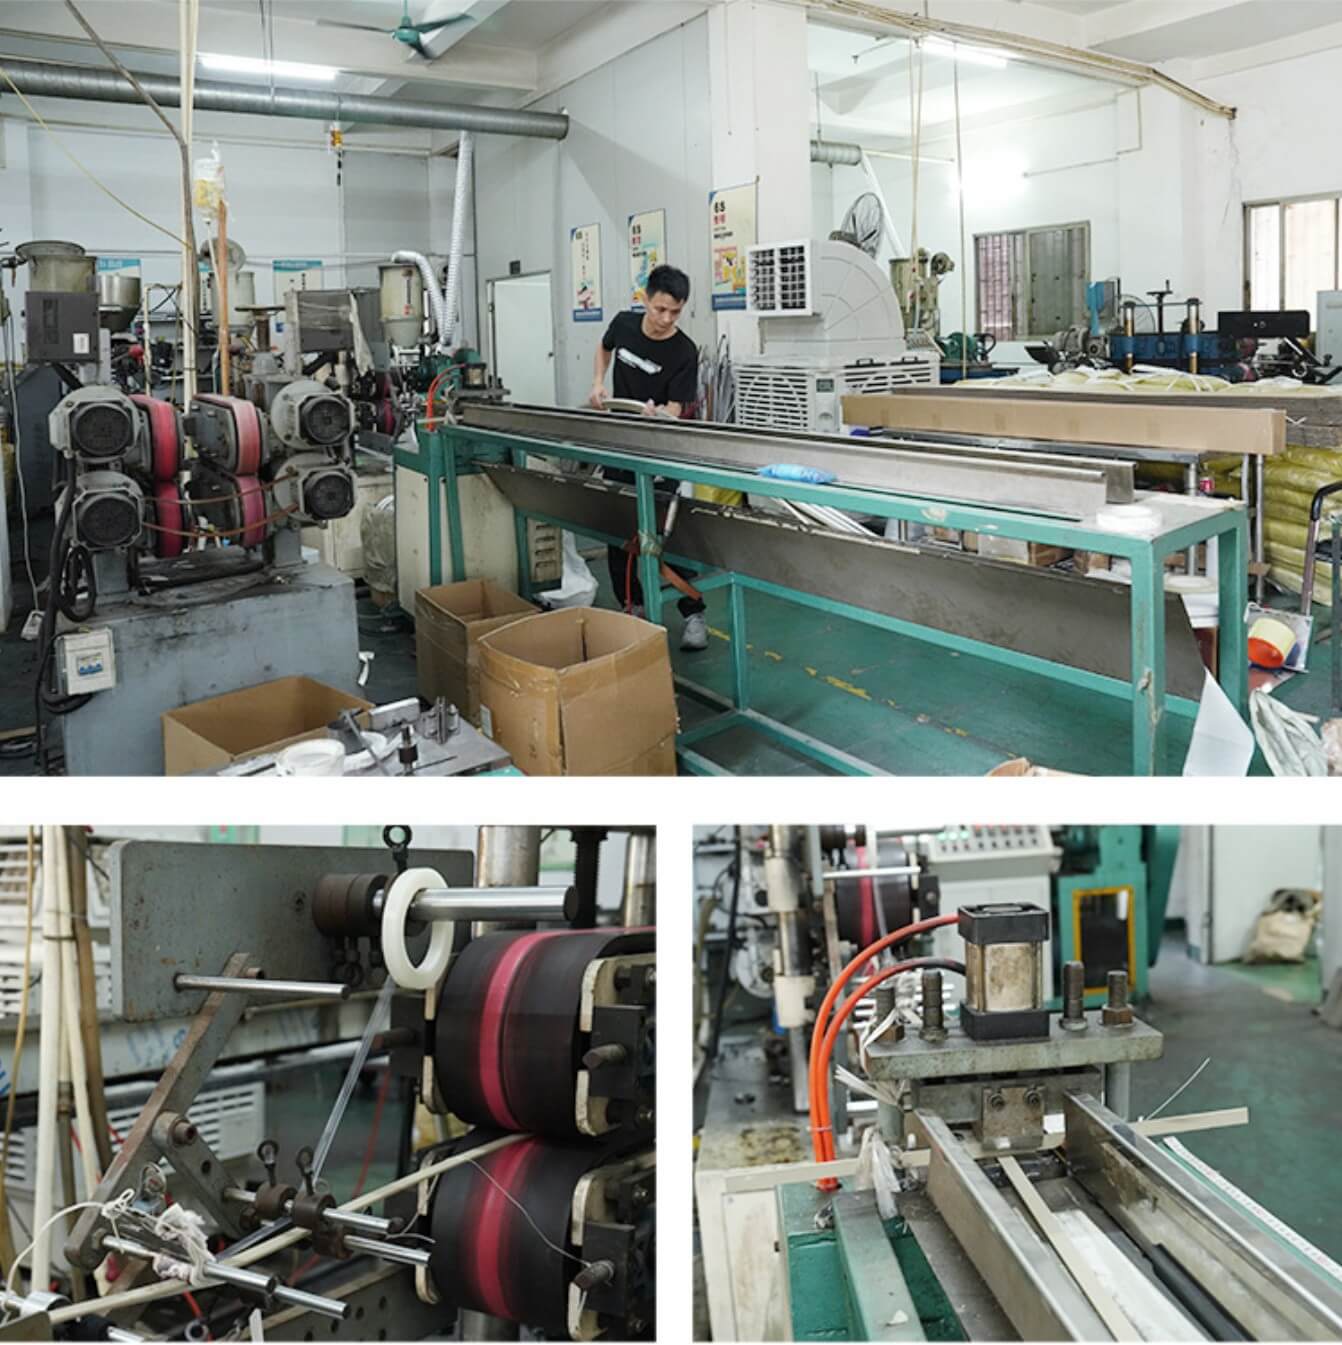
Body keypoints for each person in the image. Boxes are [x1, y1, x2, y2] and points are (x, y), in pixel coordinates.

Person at [589, 264, 708, 651]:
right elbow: (604, 348)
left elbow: (676, 406)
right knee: (618, 529)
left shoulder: (684, 351)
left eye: (675, 311)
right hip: (620, 444)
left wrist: (660, 416)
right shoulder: (623, 325)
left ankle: (693, 611)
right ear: (645, 300)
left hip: (659, 449)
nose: (666, 319)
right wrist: (598, 382)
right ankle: (632, 606)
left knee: (667, 532)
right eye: (660, 309)